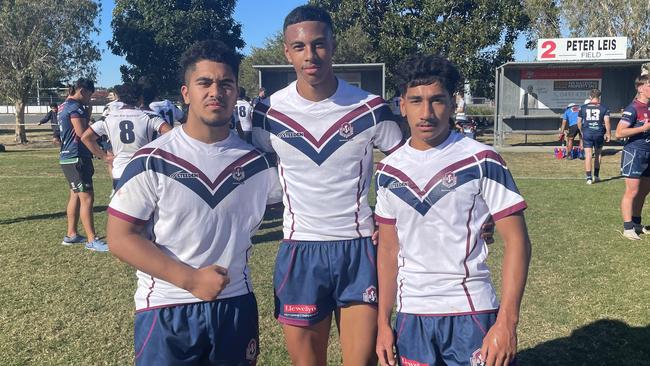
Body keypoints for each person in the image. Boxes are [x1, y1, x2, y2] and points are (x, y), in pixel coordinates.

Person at [106, 40, 281, 365]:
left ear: (235, 91)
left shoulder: (257, 165)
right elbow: (119, 237)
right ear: (186, 93)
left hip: (234, 304)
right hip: (166, 306)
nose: (216, 91)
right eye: (205, 83)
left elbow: (302, 200)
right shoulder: (152, 160)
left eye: (225, 83)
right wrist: (191, 280)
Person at [251, 6, 404, 365]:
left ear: (333, 45)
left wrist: (389, 219)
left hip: (359, 249)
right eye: (300, 47)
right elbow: (253, 169)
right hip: (300, 250)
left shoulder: (370, 108)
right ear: (287, 52)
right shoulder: (267, 112)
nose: (310, 55)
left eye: (319, 44)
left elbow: (404, 166)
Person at [375, 54, 531, 366]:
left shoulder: (483, 159)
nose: (427, 112)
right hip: (412, 315)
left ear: (453, 102)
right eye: (416, 101)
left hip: (471, 309)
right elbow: (389, 249)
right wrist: (382, 322)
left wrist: (506, 323)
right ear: (401, 104)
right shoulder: (388, 171)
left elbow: (518, 242)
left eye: (437, 100)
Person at [80, 82, 171, 190]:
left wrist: (104, 157)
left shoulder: (109, 118)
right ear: (141, 98)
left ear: (120, 99)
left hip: (120, 173)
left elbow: (85, 137)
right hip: (143, 173)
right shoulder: (149, 117)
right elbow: (172, 134)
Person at [57, 78, 108, 252]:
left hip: (67, 157)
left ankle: (71, 234)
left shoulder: (64, 105)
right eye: (90, 95)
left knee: (75, 195)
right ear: (83, 91)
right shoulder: (74, 108)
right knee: (87, 197)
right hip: (77, 156)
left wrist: (87, 113)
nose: (90, 99)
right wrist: (101, 154)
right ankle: (92, 240)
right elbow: (82, 134)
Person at [615, 74, 650, 240]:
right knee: (633, 190)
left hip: (648, 153)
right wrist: (643, 129)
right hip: (634, 152)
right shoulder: (633, 108)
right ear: (640, 88)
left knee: (644, 191)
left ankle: (637, 223)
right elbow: (619, 133)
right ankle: (628, 227)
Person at [577, 89, 611, 184]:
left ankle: (588, 178)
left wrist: (582, 131)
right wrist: (608, 133)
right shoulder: (604, 108)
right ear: (599, 97)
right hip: (599, 133)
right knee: (598, 154)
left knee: (588, 155)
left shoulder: (583, 107)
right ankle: (596, 176)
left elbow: (579, 122)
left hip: (587, 133)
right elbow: (607, 122)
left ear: (590, 97)